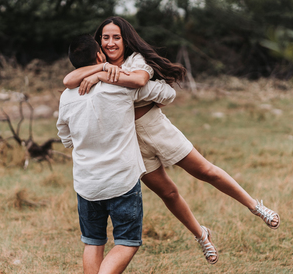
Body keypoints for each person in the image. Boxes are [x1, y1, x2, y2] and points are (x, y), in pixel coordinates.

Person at [62, 17, 279, 264]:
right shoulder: (91, 68)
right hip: (128, 143)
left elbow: (144, 82)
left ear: (126, 39)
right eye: (105, 38)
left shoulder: (135, 61)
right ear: (98, 45)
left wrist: (102, 77)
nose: (111, 43)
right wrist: (99, 71)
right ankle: (201, 234)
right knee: (169, 192)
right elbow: (68, 80)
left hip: (155, 128)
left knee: (206, 170)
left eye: (116, 37)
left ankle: (254, 206)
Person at [58, 35, 178, 274]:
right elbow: (167, 94)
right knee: (126, 242)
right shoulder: (121, 86)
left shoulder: (65, 98)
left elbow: (65, 138)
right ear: (99, 56)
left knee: (93, 241)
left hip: (87, 183)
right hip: (121, 180)